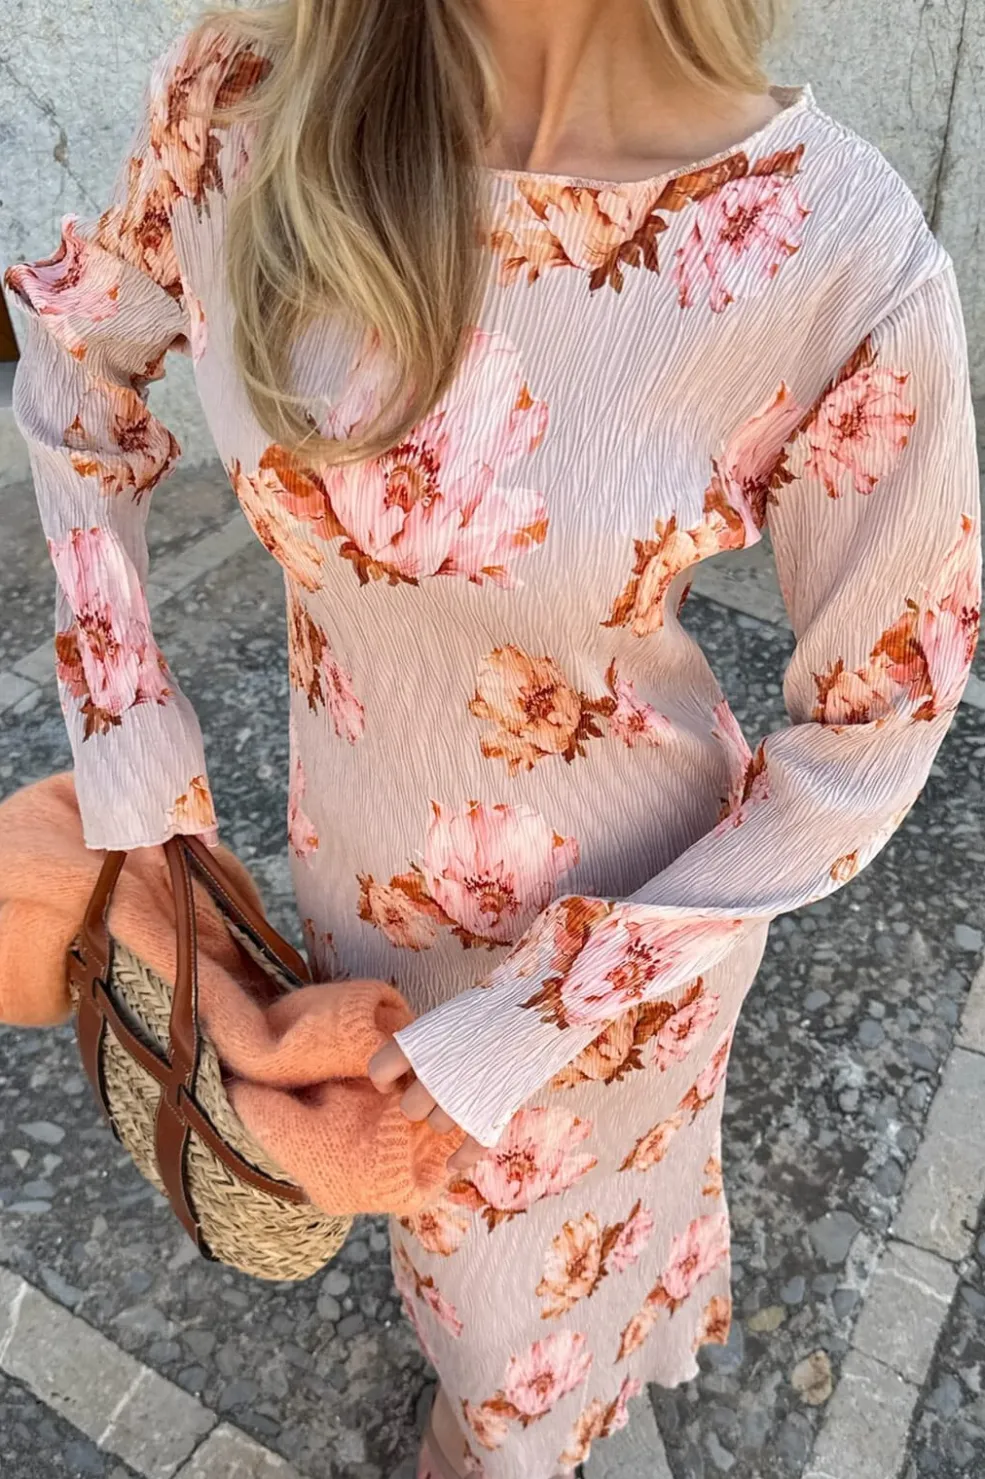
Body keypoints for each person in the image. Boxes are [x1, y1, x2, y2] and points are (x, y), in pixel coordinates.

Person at [5, 1, 980, 1475]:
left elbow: (879, 725)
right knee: (445, 1255)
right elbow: (80, 358)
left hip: (630, 954)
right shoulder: (246, 109)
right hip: (354, 879)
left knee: (522, 1317)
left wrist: (532, 1017)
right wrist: (134, 757)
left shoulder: (825, 245)